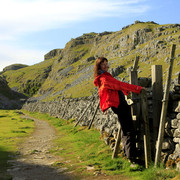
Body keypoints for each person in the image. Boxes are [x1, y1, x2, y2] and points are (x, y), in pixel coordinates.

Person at [93, 57, 144, 163]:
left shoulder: (104, 77)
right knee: (129, 129)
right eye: (103, 64)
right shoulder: (104, 78)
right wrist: (137, 89)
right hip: (119, 105)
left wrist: (126, 92)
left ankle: (128, 153)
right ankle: (132, 158)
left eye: (106, 64)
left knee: (126, 129)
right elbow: (120, 85)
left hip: (118, 105)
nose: (106, 66)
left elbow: (117, 88)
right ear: (99, 66)